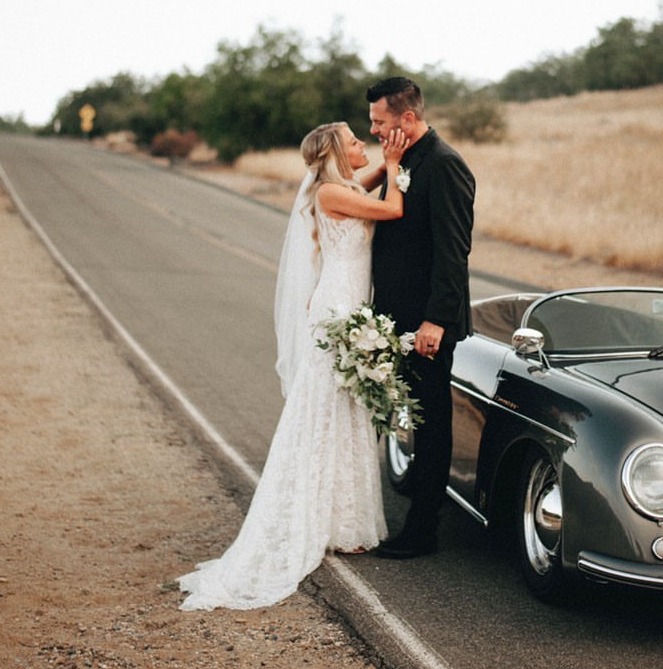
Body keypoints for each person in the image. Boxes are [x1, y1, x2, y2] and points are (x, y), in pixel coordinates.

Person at [178, 120, 407, 611]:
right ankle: (318, 519)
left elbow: (364, 188)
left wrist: (383, 165)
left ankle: (342, 523)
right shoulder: (331, 194)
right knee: (325, 409)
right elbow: (392, 208)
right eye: (354, 142)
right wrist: (392, 164)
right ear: (335, 153)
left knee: (345, 411)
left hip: (344, 304)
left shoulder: (340, 186)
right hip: (338, 311)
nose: (362, 145)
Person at [366, 77, 476, 559]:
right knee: (407, 413)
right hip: (394, 315)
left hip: (425, 323)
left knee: (430, 422)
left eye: (379, 121)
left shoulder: (446, 165)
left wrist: (435, 320)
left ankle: (423, 529)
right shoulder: (403, 161)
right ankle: (415, 495)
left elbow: (453, 252)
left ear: (407, 118)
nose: (373, 130)